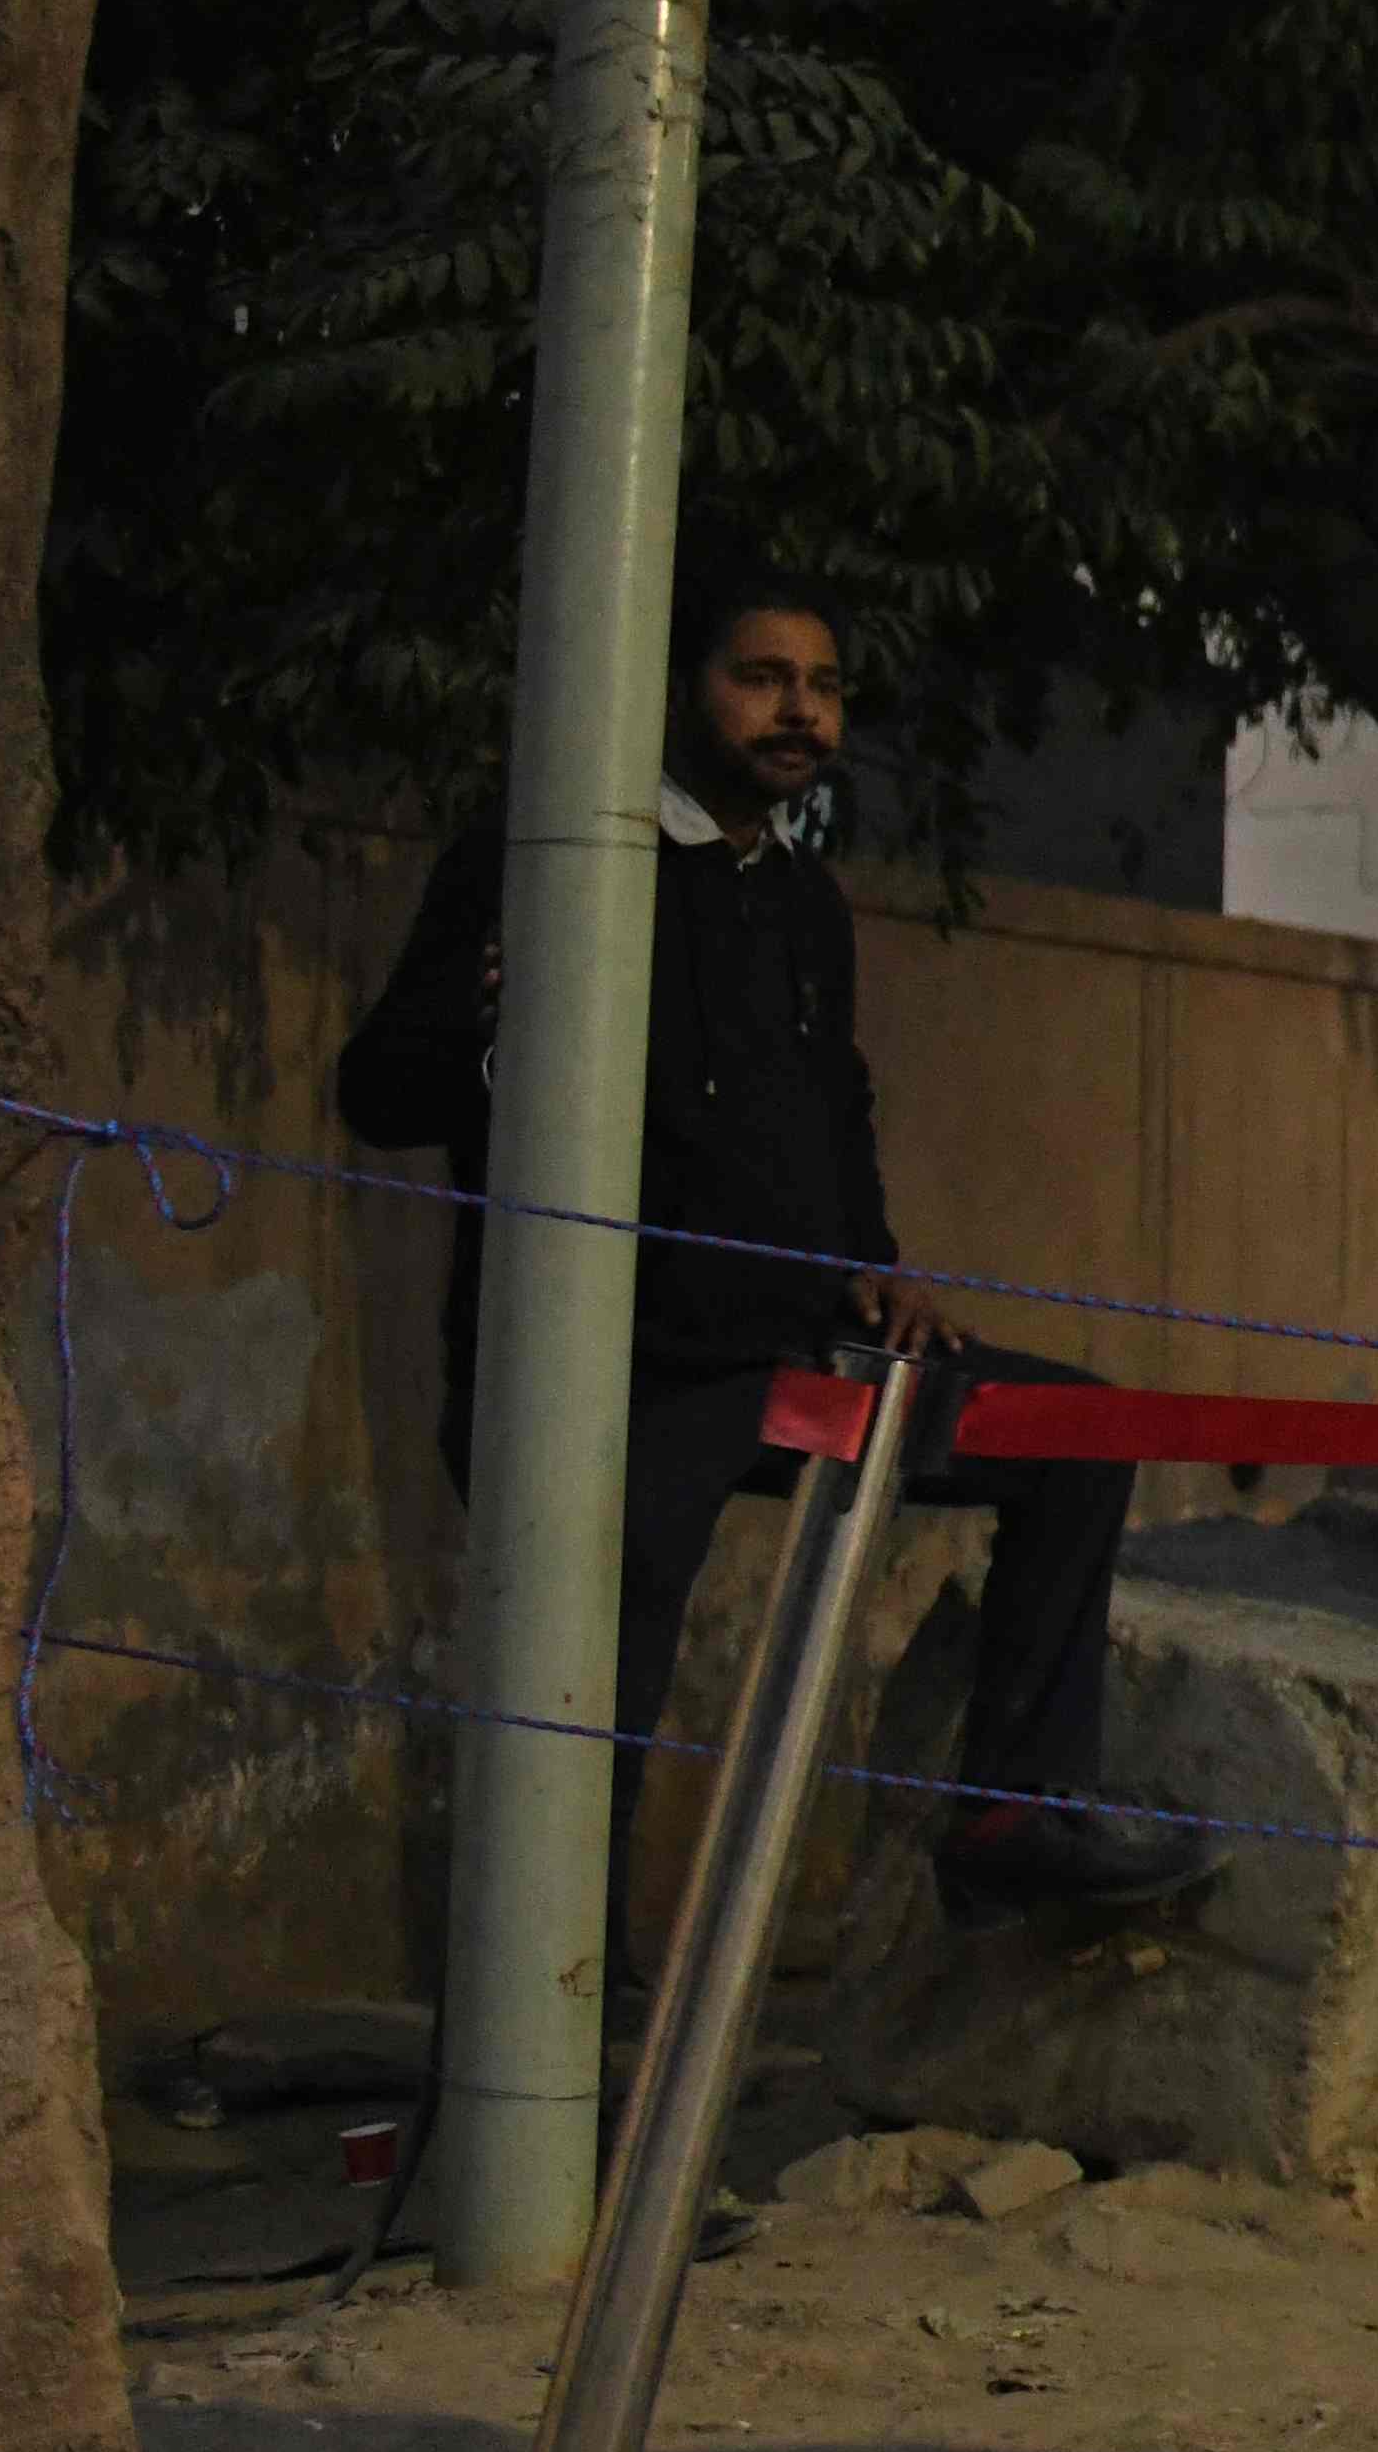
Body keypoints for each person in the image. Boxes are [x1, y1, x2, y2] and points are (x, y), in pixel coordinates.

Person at [333, 570, 1218, 1940]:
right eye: (760, 675)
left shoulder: (800, 898)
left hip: (800, 1352)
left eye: (822, 683)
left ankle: (1011, 1823)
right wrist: (481, 1004)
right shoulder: (560, 854)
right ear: (680, 684)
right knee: (585, 1726)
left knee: (1076, 1431)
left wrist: (876, 1262)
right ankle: (559, 2060)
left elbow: (831, 1109)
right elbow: (383, 1092)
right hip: (616, 1381)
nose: (797, 709)